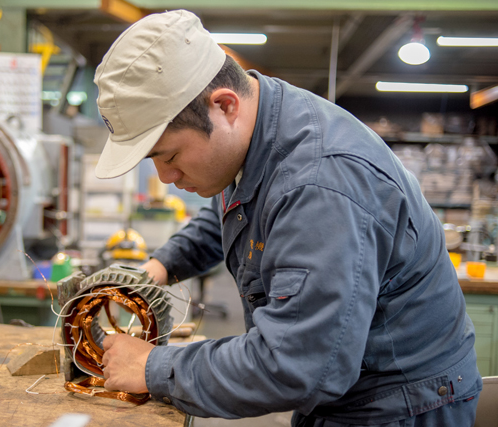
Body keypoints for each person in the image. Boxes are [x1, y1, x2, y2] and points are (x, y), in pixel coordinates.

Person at [94, 9, 482, 426]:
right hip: (344, 390)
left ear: (224, 105)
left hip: (400, 406)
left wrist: (154, 367)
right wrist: (156, 269)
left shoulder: (319, 184)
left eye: (170, 156)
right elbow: (229, 211)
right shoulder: (256, 131)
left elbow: (300, 365)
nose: (166, 178)